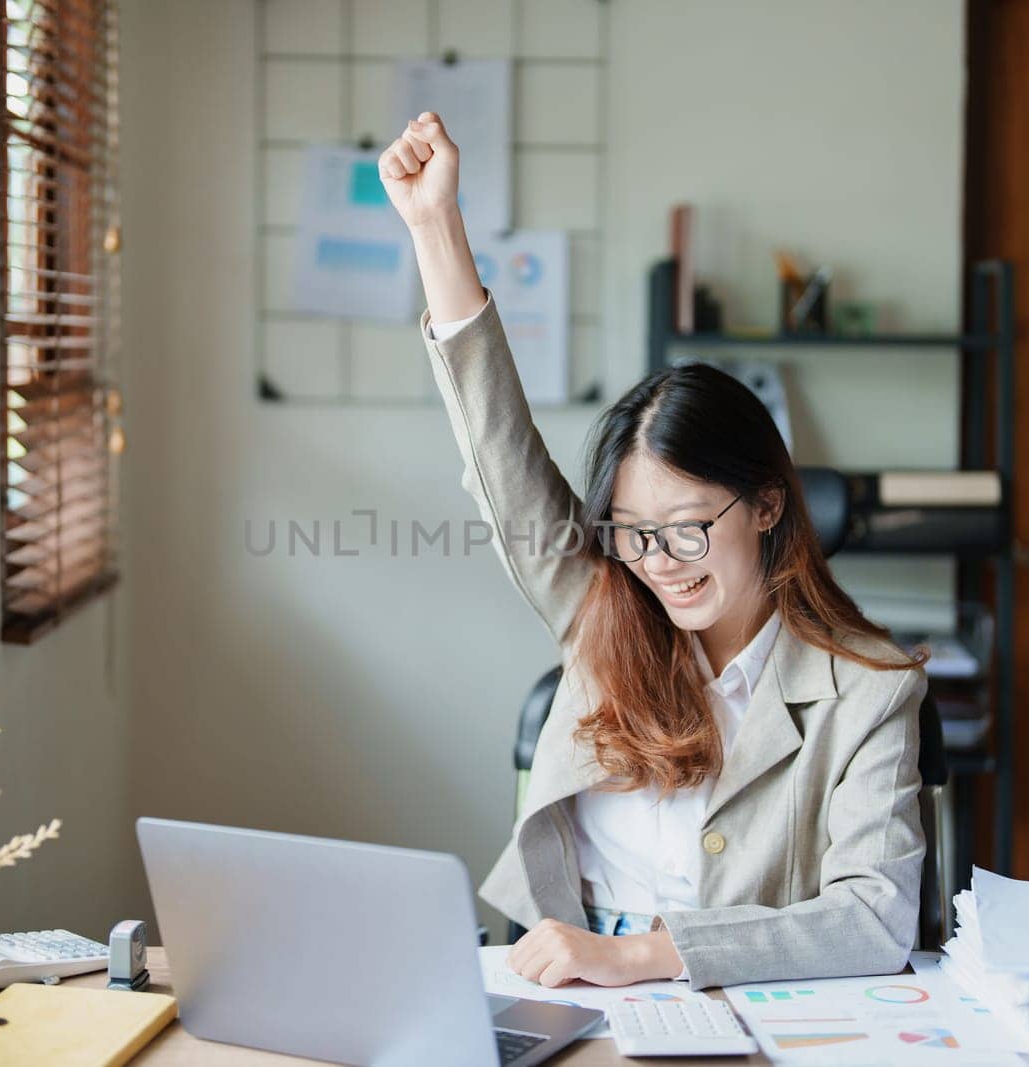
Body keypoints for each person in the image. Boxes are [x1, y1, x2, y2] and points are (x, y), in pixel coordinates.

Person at [378, 112, 930, 991]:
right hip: (563, 993)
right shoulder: (603, 603)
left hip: (740, 1003)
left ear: (764, 505)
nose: (660, 560)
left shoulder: (869, 685)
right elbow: (500, 452)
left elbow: (872, 916)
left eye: (686, 525)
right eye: (634, 531)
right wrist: (434, 226)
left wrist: (641, 956)